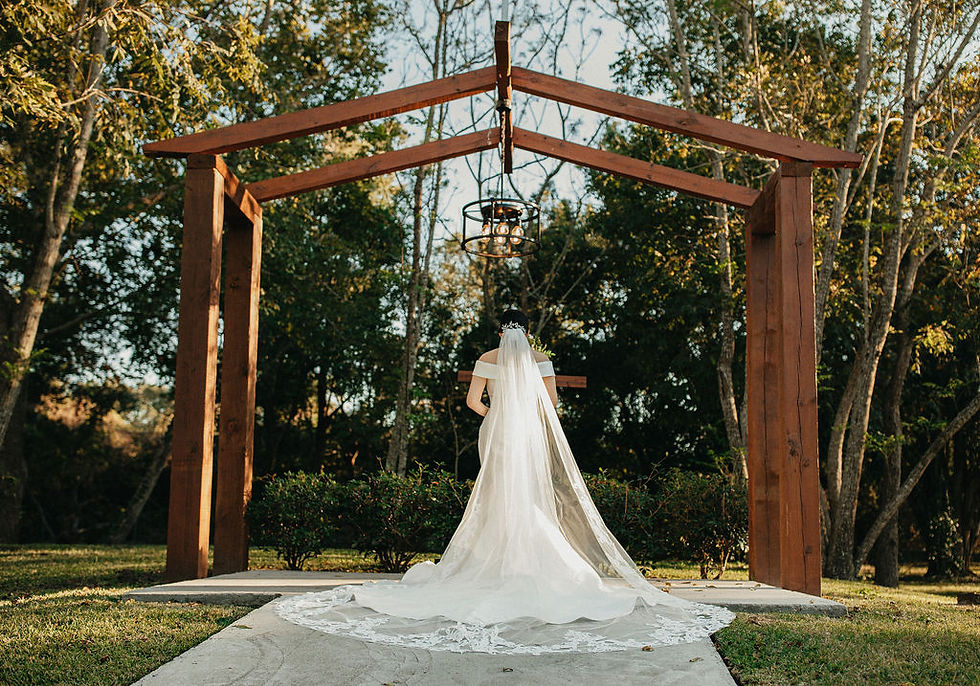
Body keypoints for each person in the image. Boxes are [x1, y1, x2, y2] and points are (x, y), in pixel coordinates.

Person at [276, 309, 733, 654]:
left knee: (497, 498)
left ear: (500, 332)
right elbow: (551, 406)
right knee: (531, 496)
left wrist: (497, 413)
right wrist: (525, 413)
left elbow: (475, 402)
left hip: (496, 433)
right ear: (528, 333)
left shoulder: (486, 358)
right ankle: (532, 565)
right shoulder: (540, 360)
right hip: (529, 435)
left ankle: (493, 563)